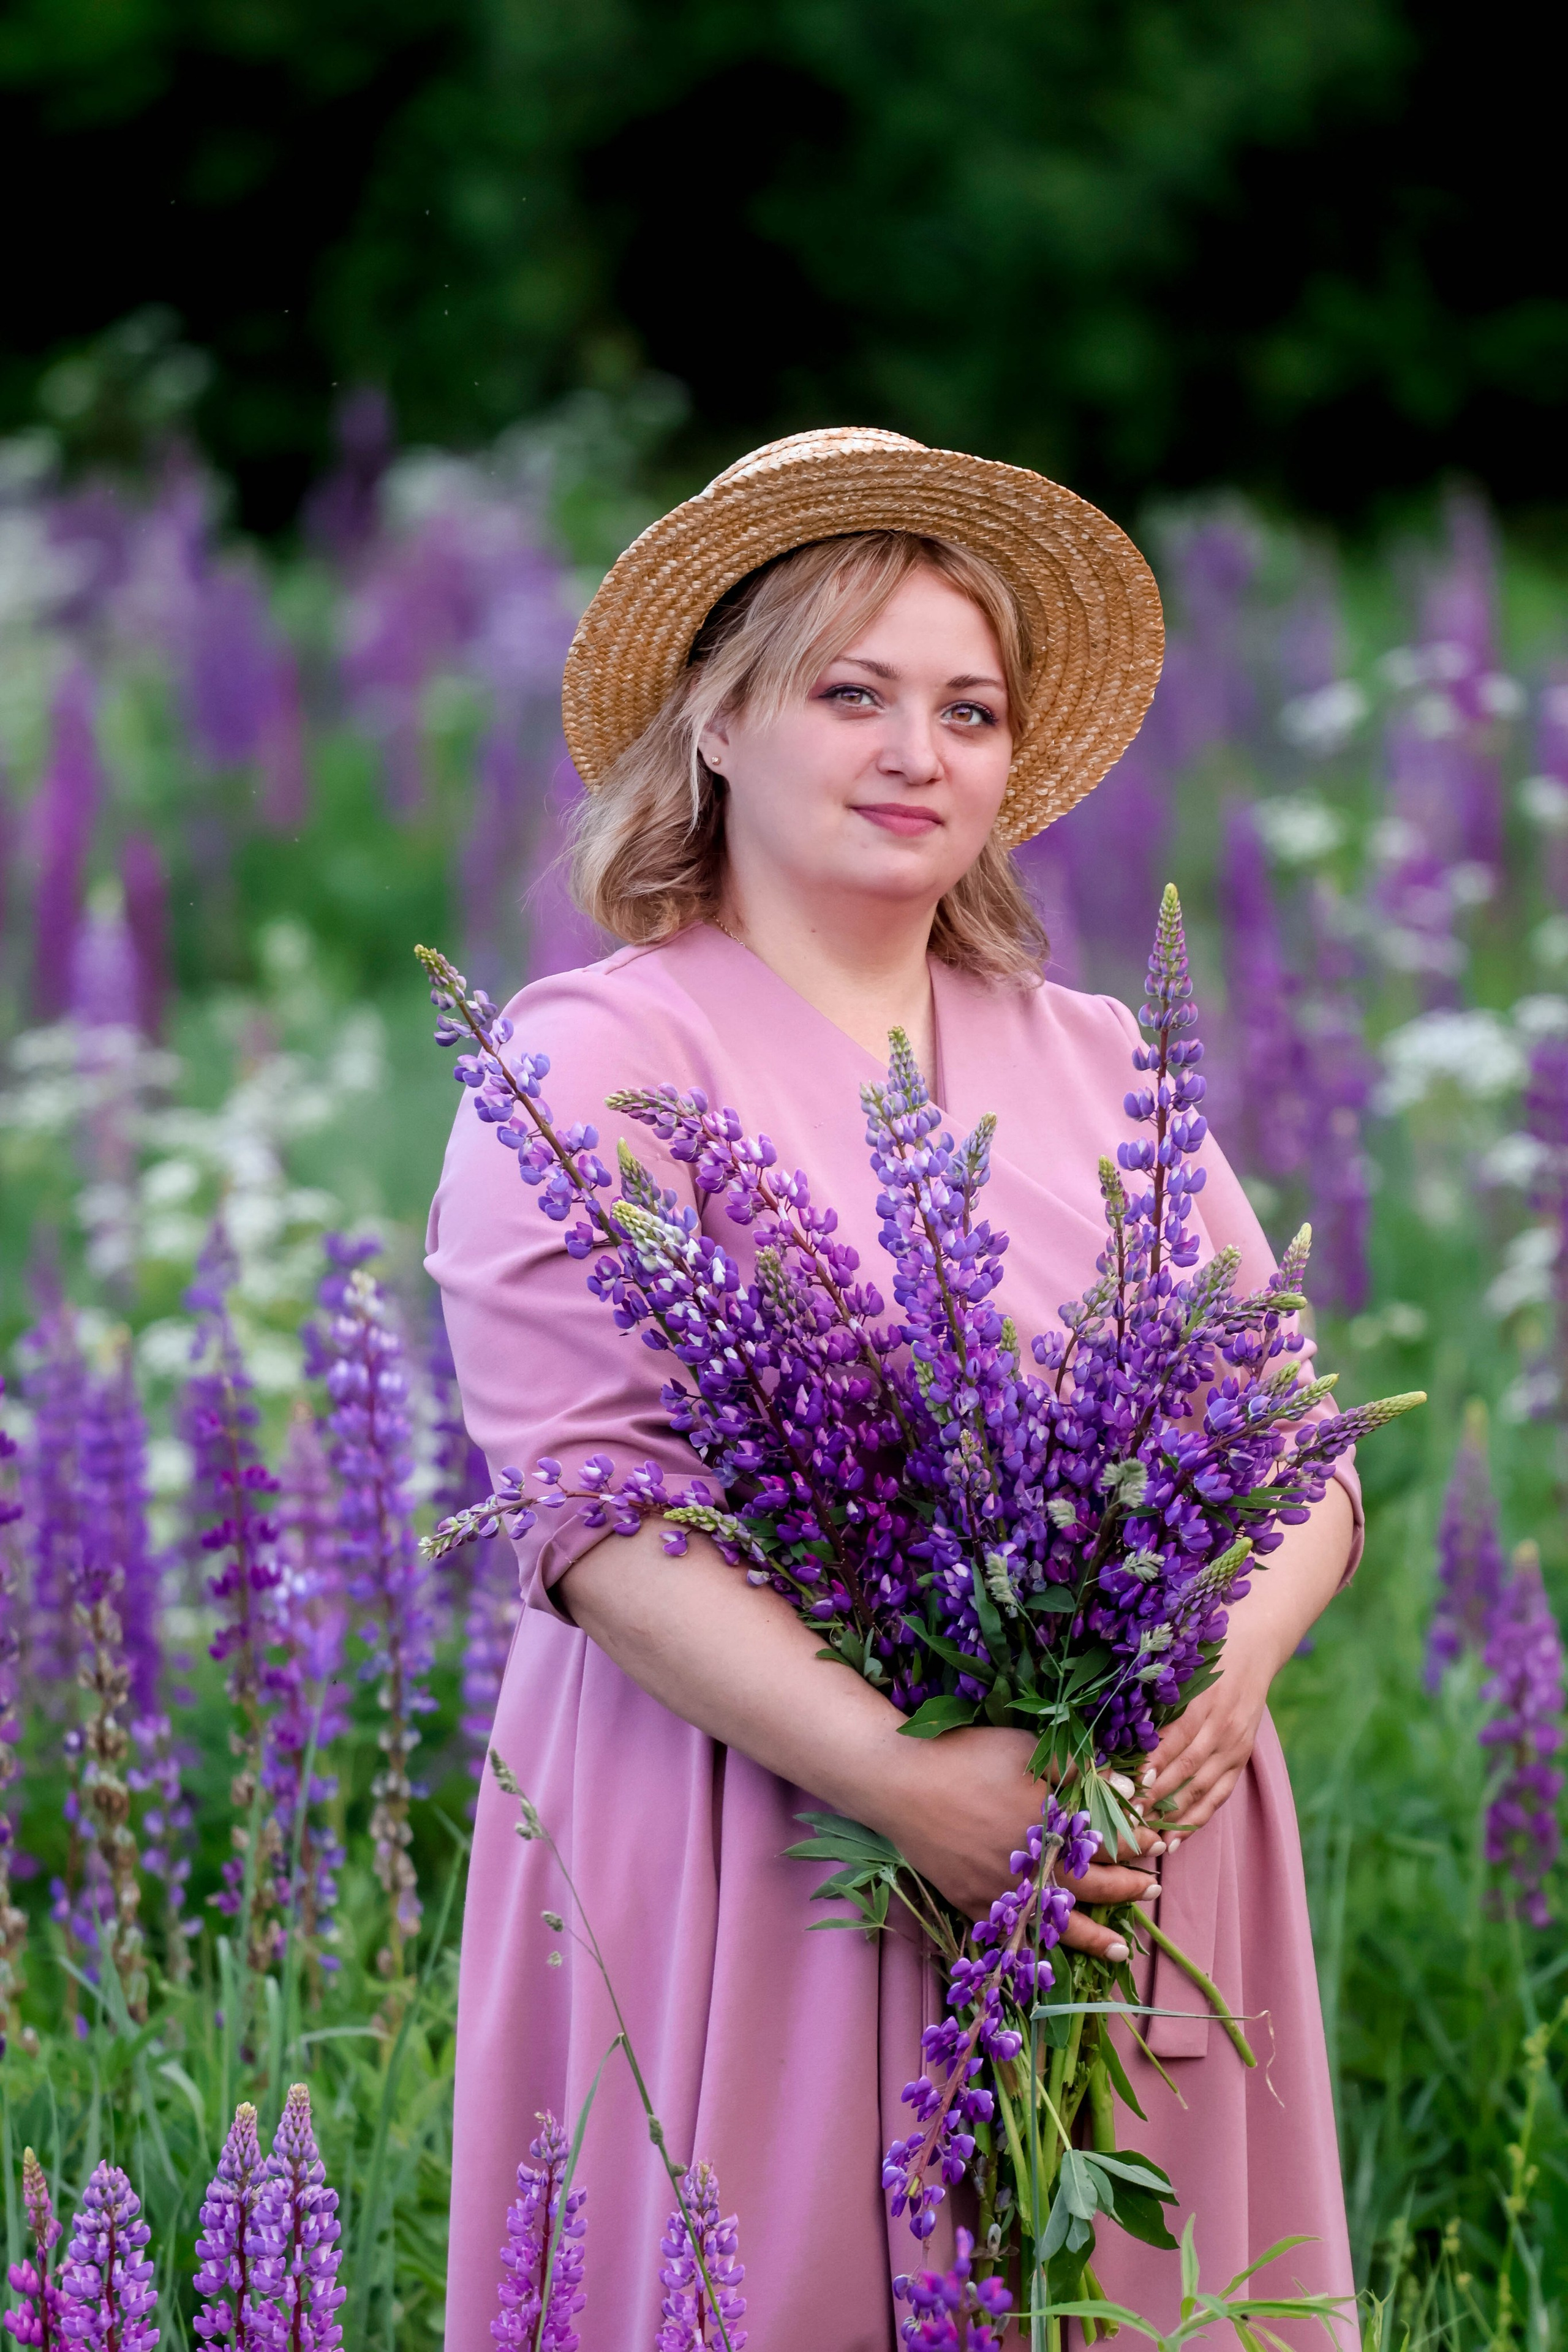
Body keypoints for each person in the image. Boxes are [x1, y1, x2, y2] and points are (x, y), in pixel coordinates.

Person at [428, 428, 1360, 2351]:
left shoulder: (1101, 1059)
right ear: (717, 722)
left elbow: (1305, 1449)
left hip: (1131, 1852)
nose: (915, 750)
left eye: (968, 708)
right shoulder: (591, 1059)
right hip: (767, 1834)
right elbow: (588, 1516)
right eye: (851, 694)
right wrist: (909, 1787)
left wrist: (1230, 1670)